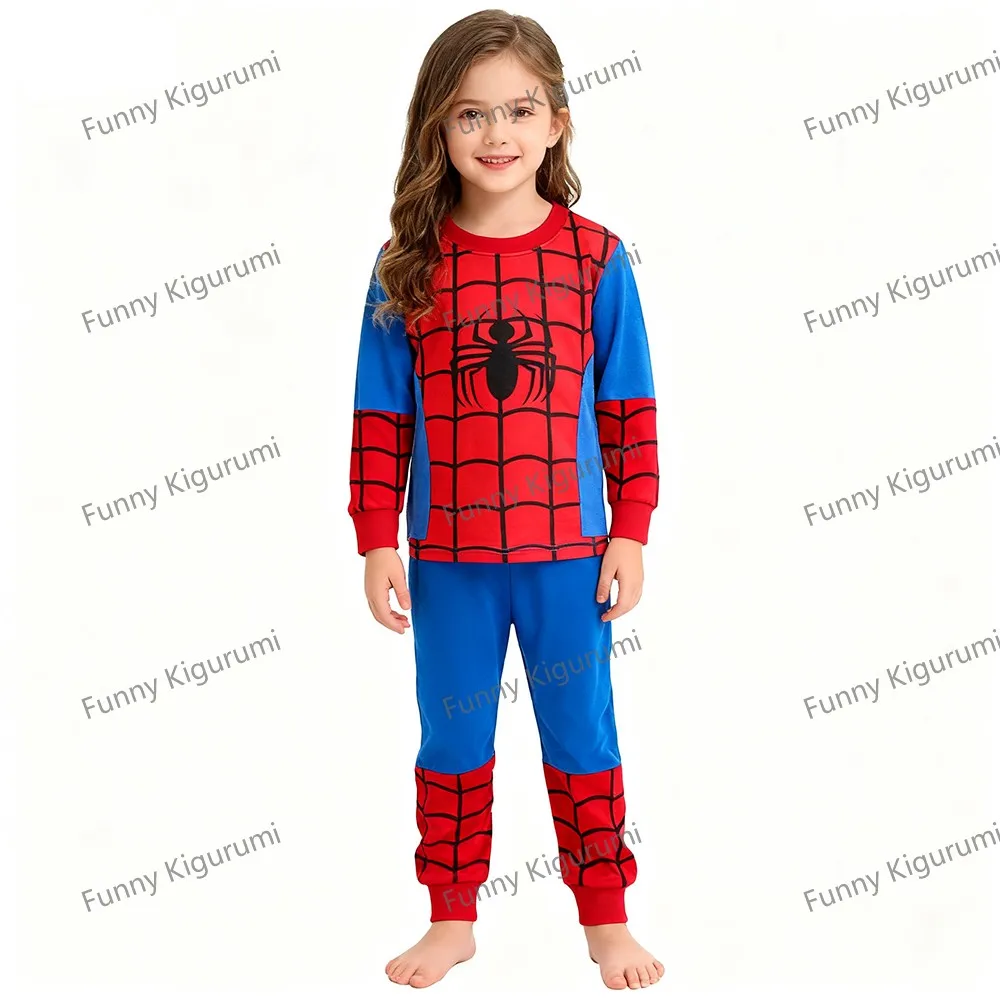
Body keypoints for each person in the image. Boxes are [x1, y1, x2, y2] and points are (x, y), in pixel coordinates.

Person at [347, 9, 662, 991]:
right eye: (470, 114)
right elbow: (379, 416)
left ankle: (605, 917)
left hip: (571, 555)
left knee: (583, 735)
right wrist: (376, 537)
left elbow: (627, 406)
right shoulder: (407, 264)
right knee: (452, 738)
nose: (496, 134)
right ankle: (450, 916)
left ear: (557, 121)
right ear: (437, 129)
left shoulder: (598, 258)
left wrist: (630, 531)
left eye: (519, 110)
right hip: (447, 560)